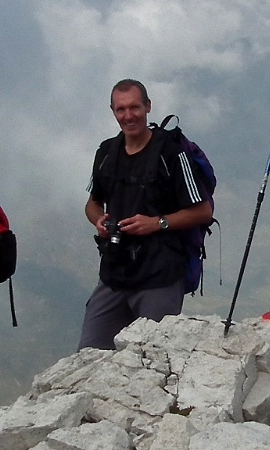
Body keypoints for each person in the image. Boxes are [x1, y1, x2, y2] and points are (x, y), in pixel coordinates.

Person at [79, 80, 215, 350]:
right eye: (121, 109)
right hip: (114, 273)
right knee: (88, 355)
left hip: (160, 276)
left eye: (134, 107)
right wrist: (99, 220)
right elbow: (92, 203)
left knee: (151, 361)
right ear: (113, 111)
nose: (128, 116)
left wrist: (158, 223)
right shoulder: (106, 152)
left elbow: (203, 211)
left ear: (148, 107)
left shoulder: (171, 152)